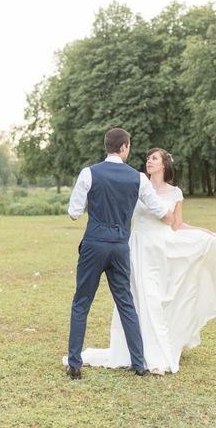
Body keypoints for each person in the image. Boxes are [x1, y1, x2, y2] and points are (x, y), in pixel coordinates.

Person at [78, 148, 216, 374]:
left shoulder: (175, 193)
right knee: (142, 297)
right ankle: (149, 355)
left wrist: (204, 232)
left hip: (163, 248)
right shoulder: (137, 184)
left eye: (154, 158)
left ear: (164, 164)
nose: (149, 161)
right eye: (148, 158)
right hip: (140, 247)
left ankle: (158, 346)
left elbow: (177, 225)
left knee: (160, 298)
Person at [65, 130, 174, 380]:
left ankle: (74, 364)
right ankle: (138, 364)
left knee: (82, 302)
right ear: (124, 148)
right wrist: (174, 219)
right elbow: (158, 209)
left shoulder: (89, 173)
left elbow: (73, 212)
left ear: (108, 147)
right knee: (126, 303)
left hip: (93, 244)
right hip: (120, 246)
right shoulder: (138, 178)